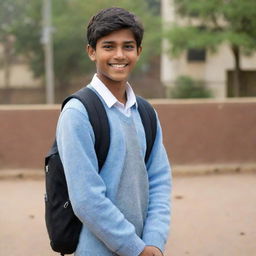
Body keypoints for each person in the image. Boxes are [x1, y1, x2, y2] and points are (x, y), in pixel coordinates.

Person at [56, 7, 172, 256]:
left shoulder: (145, 112)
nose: (119, 55)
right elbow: (86, 199)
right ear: (91, 52)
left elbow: (160, 180)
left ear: (138, 52)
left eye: (128, 46)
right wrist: (136, 249)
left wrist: (153, 242)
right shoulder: (78, 113)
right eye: (108, 46)